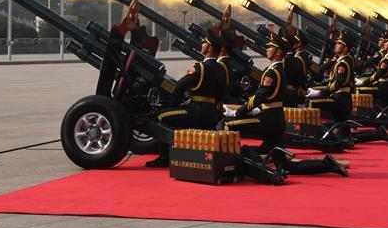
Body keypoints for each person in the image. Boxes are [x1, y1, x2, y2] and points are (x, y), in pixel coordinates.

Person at [222, 31, 347, 177]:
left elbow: (259, 97)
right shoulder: (278, 70)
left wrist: (237, 112)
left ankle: (230, 168)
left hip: (269, 120)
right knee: (285, 164)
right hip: (275, 117)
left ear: (279, 52)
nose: (267, 49)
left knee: (227, 124)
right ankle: (325, 164)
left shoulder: (272, 73)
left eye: (270, 48)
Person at [146, 27, 227, 167]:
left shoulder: (200, 68)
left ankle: (164, 157)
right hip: (212, 114)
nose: (201, 45)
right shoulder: (222, 69)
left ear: (209, 49)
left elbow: (179, 86)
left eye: (204, 43)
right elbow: (223, 95)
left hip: (196, 111)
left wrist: (171, 104)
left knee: (160, 116)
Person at [306, 29, 356, 121]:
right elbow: (322, 68)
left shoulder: (342, 64)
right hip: (341, 97)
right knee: (342, 129)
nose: (336, 45)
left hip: (340, 99)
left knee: (310, 102)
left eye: (339, 44)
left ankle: (314, 130)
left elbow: (337, 83)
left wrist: (320, 93)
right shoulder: (343, 60)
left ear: (345, 48)